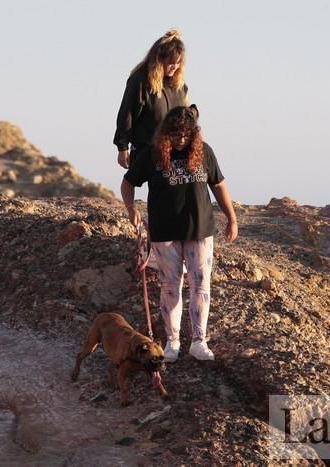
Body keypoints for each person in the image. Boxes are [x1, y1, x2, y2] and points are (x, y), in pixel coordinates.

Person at [121, 105, 238, 362]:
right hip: (165, 232)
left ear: (193, 133)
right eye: (175, 134)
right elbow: (128, 183)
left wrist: (231, 217)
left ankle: (199, 341)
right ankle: (172, 341)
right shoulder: (152, 154)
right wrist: (131, 209)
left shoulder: (204, 152)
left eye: (185, 134)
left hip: (199, 230)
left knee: (200, 285)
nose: (180, 139)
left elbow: (218, 184)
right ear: (166, 133)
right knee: (170, 286)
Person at [114, 29, 188, 169]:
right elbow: (127, 114)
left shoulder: (179, 85)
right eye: (171, 63)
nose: (175, 67)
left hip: (174, 152)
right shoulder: (140, 81)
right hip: (146, 150)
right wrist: (122, 147)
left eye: (178, 63)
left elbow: (185, 117)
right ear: (159, 59)